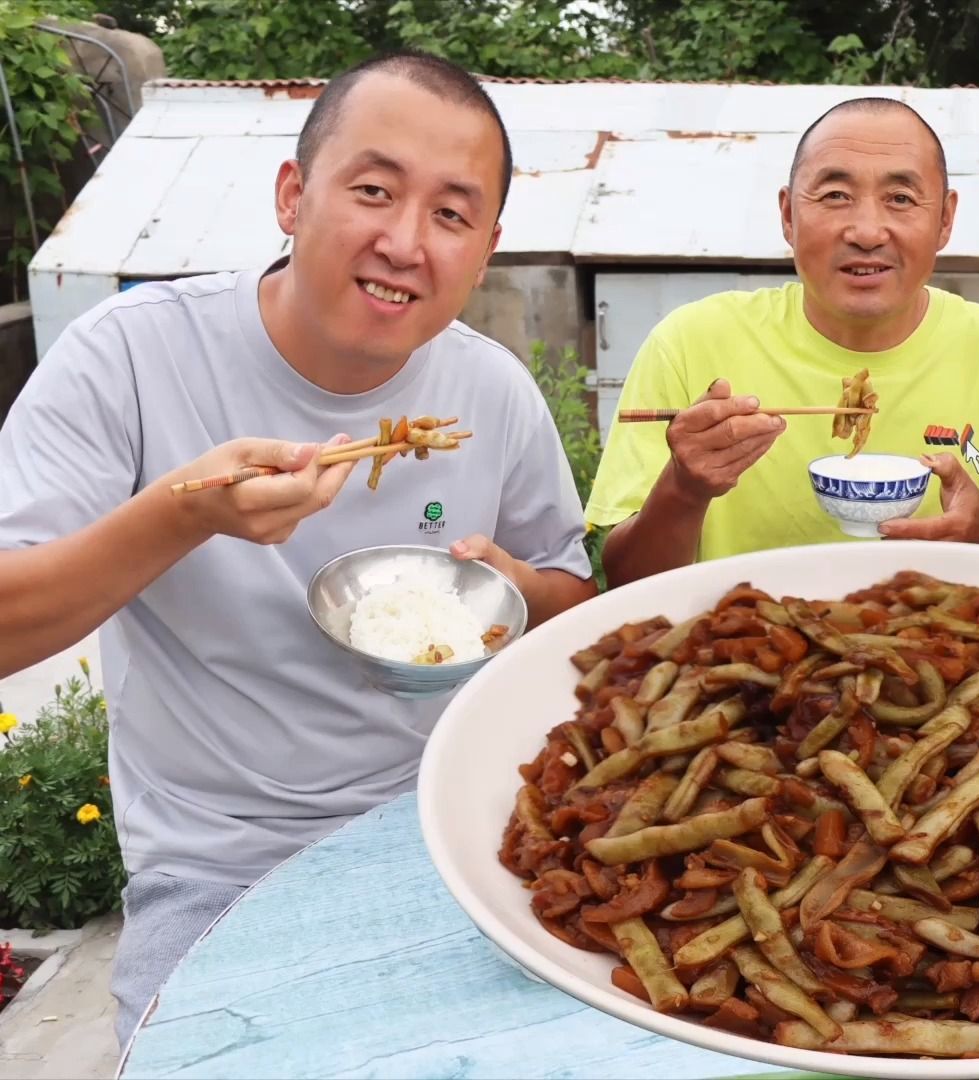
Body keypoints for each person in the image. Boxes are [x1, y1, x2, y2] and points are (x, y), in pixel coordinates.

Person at [0, 51, 596, 1044]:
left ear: (486, 249)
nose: (405, 242)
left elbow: (572, 599)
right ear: (292, 194)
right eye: (373, 191)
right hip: (218, 864)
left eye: (451, 215)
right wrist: (184, 512)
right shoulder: (131, 355)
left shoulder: (492, 391)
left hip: (455, 829)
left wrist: (520, 588)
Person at [584, 97, 979, 586]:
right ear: (787, 215)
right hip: (735, 655)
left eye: (901, 199)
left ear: (946, 220)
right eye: (835, 196)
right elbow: (626, 579)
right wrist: (685, 490)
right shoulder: (692, 344)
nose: (867, 232)